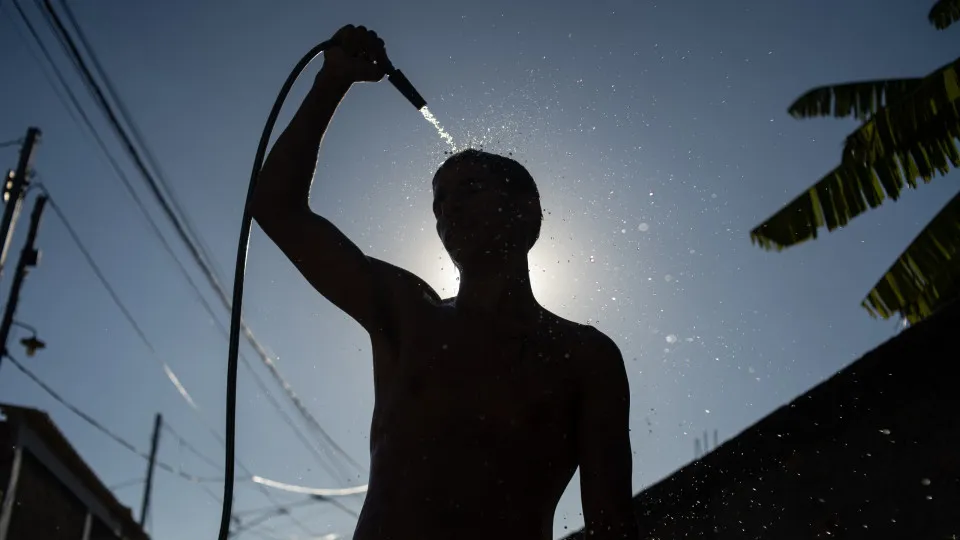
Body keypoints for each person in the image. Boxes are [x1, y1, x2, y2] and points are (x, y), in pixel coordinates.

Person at [252, 24, 638, 540]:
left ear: (527, 212)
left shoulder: (586, 356)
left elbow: (612, 524)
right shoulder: (409, 312)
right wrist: (332, 82)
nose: (448, 208)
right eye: (438, 202)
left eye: (469, 189)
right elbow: (277, 209)